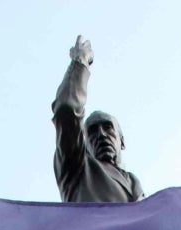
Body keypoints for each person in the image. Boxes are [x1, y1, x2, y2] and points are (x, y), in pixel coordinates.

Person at [51, 35, 138, 205]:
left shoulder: (134, 183)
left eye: (108, 127)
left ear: (122, 140)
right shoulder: (77, 170)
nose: (101, 134)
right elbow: (66, 110)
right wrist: (80, 63)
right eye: (92, 131)